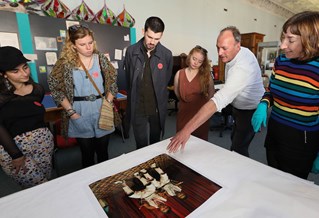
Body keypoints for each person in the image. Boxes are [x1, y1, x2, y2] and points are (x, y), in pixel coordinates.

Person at [167, 26, 264, 156]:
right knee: (234, 139)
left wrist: (186, 131)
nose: (219, 53)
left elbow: (217, 100)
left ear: (237, 45)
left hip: (249, 110)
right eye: (218, 47)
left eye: (224, 48)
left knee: (238, 149)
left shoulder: (243, 67)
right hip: (237, 105)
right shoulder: (237, 52)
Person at [251, 11, 319, 179]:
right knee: (272, 177)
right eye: (283, 38)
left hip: (301, 141)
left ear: (309, 40)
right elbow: (271, 91)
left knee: (292, 188)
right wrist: (263, 104)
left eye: (290, 40)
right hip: (275, 133)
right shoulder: (281, 61)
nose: (282, 45)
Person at [48, 24, 118, 168]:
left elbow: (112, 82)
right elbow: (55, 88)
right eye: (82, 44)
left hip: (101, 109)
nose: (88, 47)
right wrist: (71, 113)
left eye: (90, 43)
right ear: (73, 45)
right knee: (87, 154)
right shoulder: (65, 64)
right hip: (79, 111)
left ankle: (106, 185)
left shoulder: (101, 59)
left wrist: (108, 103)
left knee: (103, 153)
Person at [0, 46, 54, 188]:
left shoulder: (37, 89)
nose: (24, 73)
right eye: (15, 71)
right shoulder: (1, 96)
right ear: (4, 74)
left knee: (45, 182)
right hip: (14, 149)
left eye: (25, 67)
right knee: (41, 188)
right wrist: (15, 154)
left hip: (43, 145)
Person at [124, 16, 173, 149]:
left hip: (156, 106)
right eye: (149, 37)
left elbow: (166, 79)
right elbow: (128, 78)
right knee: (140, 144)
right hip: (138, 106)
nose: (152, 42)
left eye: (157, 39)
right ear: (143, 31)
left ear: (161, 36)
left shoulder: (167, 55)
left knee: (155, 143)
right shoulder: (131, 51)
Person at [174, 45, 215, 141]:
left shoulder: (206, 76)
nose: (196, 63)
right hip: (183, 115)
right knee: (181, 143)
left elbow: (211, 96)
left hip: (199, 117)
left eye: (199, 61)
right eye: (194, 59)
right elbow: (177, 93)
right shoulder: (179, 74)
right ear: (189, 56)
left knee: (199, 147)